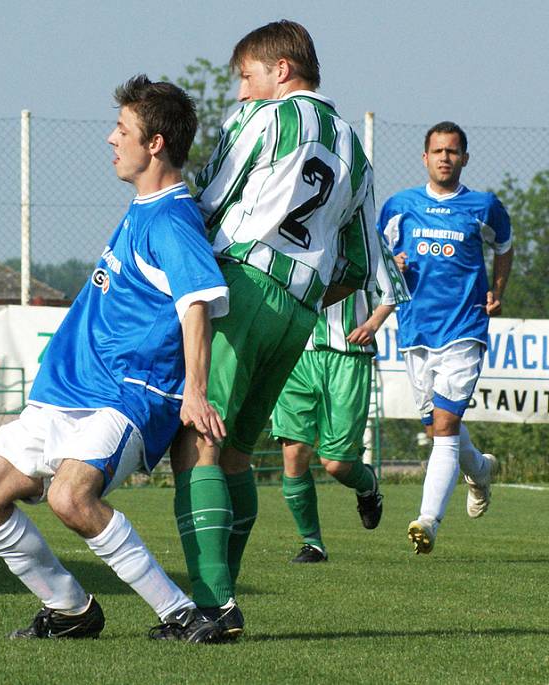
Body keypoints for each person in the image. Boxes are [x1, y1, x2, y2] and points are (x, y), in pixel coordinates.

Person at [0, 75, 230, 642]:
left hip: (129, 395)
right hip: (64, 393)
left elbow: (196, 304)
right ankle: (71, 608)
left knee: (70, 497)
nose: (111, 139)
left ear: (155, 143)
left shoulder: (173, 219)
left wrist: (195, 391)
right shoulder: (144, 208)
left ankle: (182, 614)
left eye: (122, 129)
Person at [169, 19, 404, 637]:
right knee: (240, 454)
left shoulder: (260, 120)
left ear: (281, 70)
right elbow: (361, 265)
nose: (241, 92)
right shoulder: (355, 146)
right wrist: (302, 295)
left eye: (246, 77)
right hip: (302, 312)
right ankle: (217, 602)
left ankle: (212, 604)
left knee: (198, 441)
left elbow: (211, 201)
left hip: (242, 284)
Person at [379, 121, 513, 554]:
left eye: (452, 152)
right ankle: (480, 470)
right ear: (424, 157)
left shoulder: (483, 206)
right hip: (416, 331)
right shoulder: (400, 205)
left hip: (464, 329)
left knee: (445, 425)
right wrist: (392, 265)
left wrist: (498, 290)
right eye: (437, 151)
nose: (444, 158)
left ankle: (427, 521)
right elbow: (378, 254)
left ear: (464, 159)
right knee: (440, 429)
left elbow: (505, 245)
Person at [271, 282, 403, 563]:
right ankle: (312, 544)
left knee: (336, 463)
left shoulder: (364, 239)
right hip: (295, 354)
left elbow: (394, 287)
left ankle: (367, 487)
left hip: (348, 355)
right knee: (294, 451)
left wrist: (372, 324)